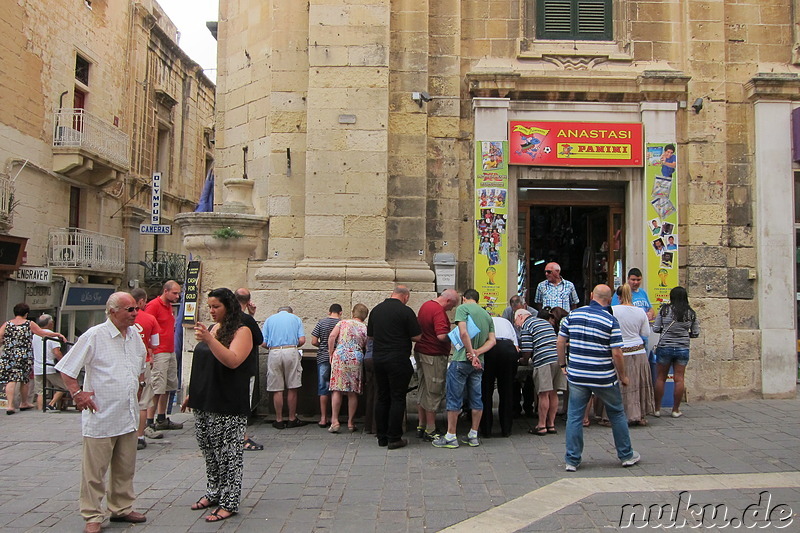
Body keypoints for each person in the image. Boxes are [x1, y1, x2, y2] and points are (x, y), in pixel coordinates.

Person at [55, 292, 148, 533]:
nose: (134, 313)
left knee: (125, 466)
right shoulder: (95, 336)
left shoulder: (135, 336)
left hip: (127, 414)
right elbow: (67, 368)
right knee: (94, 471)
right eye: (129, 310)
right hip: (102, 415)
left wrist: (137, 387)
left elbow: (139, 367)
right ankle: (92, 514)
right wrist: (78, 394)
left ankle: (122, 507)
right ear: (112, 311)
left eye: (135, 309)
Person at [181, 288, 254, 523]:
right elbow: (203, 364)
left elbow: (233, 361)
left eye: (216, 307)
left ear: (228, 307)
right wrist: (192, 394)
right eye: (210, 307)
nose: (211, 311)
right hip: (204, 399)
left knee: (229, 454)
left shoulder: (242, 331)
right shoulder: (213, 328)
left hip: (227, 402)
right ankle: (214, 492)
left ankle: (229, 502)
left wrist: (210, 340)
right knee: (209, 450)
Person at [557, 285, 640, 472]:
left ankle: (572, 459)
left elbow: (560, 341)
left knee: (575, 417)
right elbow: (617, 353)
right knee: (617, 413)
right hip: (603, 376)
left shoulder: (573, 315)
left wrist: (563, 365)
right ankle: (626, 455)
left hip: (577, 375)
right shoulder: (610, 320)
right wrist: (624, 376)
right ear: (610, 300)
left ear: (592, 296)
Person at [432, 289, 496, 449]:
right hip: (479, 363)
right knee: (476, 398)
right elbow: (492, 341)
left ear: (464, 299)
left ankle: (451, 435)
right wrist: (478, 353)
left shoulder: (463, 309)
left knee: (454, 397)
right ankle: (473, 434)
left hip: (462, 360)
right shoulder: (486, 315)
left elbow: (463, 333)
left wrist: (470, 352)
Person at [367, 285, 422, 449]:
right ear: (405, 296)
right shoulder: (406, 312)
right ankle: (394, 438)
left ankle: (381, 436)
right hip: (398, 359)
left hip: (379, 358)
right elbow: (417, 337)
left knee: (383, 396)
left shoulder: (376, 310)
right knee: (397, 397)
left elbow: (370, 336)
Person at [1, 302, 65, 414]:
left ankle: (10, 405)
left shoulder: (7, 324)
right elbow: (42, 333)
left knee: (11, 380)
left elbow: (0, 336)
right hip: (23, 355)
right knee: (23, 380)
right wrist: (57, 335)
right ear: (26, 314)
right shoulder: (29, 323)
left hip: (9, 354)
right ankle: (24, 402)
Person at [414, 289, 458, 441]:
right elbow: (441, 336)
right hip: (434, 354)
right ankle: (431, 429)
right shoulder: (439, 311)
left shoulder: (426, 305)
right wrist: (454, 336)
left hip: (421, 351)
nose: (451, 309)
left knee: (423, 387)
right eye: (452, 306)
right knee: (434, 390)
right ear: (447, 301)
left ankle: (421, 424)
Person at [516, 308, 566, 436]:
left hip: (544, 360)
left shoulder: (527, 325)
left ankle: (541, 425)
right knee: (553, 392)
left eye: (516, 320)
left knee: (543, 394)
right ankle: (551, 424)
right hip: (558, 358)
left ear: (521, 317)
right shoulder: (545, 322)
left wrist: (522, 360)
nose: (516, 324)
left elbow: (527, 350)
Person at [653, 286, 700, 418]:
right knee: (679, 379)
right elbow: (695, 333)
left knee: (660, 378)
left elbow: (656, 328)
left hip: (665, 347)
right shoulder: (691, 313)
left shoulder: (664, 310)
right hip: (682, 348)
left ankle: (657, 409)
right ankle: (675, 409)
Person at [144, 280, 183, 431]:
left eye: (178, 293)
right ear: (165, 291)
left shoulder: (169, 307)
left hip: (169, 350)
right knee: (157, 387)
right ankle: (149, 420)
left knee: (168, 385)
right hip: (159, 351)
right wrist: (150, 351)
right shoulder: (153, 305)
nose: (177, 296)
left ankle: (162, 417)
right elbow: (146, 326)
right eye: (174, 293)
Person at [612, 284, 654, 426]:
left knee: (618, 385)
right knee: (637, 385)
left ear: (618, 297)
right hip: (638, 351)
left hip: (619, 350)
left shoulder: (613, 310)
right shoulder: (640, 312)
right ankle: (638, 415)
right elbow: (645, 333)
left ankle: (615, 415)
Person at [261, 306, 307, 428]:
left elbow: (263, 342)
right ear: (291, 311)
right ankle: (292, 418)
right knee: (293, 386)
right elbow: (302, 340)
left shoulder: (269, 320)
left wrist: (273, 346)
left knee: (277, 388)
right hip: (291, 350)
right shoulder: (296, 319)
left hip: (274, 351)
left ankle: (279, 420)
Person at [327, 304, 369, 433]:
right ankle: (351, 422)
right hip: (356, 357)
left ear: (353, 312)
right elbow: (366, 345)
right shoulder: (365, 328)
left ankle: (335, 421)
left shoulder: (342, 323)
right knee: (352, 391)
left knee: (337, 389)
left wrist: (331, 352)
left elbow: (332, 336)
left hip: (340, 355)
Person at [130, 288, 163, 450]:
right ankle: (140, 436)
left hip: (125, 364)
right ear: (141, 301)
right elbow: (155, 344)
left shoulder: (120, 319)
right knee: (143, 403)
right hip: (144, 363)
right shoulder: (149, 319)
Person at [234, 288, 265, 450]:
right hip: (245, 366)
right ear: (248, 302)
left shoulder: (228, 317)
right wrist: (251, 316)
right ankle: (242, 437)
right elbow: (259, 339)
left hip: (230, 364)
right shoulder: (246, 319)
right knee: (244, 402)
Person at [479, 315, 518, 438]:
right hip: (507, 348)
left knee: (486, 390)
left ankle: (486, 429)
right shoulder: (506, 322)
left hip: (490, 349)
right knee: (507, 391)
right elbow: (515, 345)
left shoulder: (484, 320)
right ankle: (506, 429)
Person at [311, 304, 342, 428]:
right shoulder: (342, 323)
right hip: (338, 358)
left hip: (323, 357)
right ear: (340, 312)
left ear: (329, 312)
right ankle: (335, 418)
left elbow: (313, 341)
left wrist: (322, 346)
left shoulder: (321, 322)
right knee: (336, 388)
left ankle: (323, 418)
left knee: (323, 387)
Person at [32, 314, 66, 411]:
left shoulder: (35, 336)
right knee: (64, 386)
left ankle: (40, 410)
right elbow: (57, 352)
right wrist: (63, 363)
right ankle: (51, 404)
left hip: (37, 367)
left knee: (40, 392)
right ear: (50, 323)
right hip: (49, 367)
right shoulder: (52, 335)